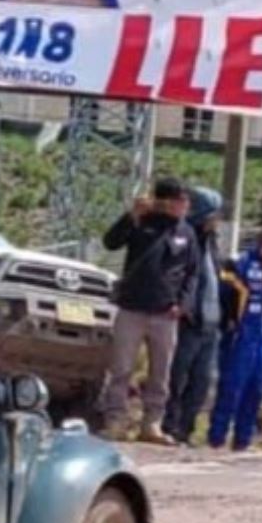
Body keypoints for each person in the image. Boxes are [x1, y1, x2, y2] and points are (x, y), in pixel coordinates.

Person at [100, 177, 200, 443]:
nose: (185, 205)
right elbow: (110, 242)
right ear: (164, 201)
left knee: (160, 373)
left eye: (186, 200)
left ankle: (151, 423)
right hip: (132, 308)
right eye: (180, 200)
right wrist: (131, 216)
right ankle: (116, 420)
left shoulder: (186, 232)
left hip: (166, 313)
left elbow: (192, 273)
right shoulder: (141, 221)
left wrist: (183, 303)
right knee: (121, 368)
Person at [207, 227, 262, 452]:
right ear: (261, 244)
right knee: (232, 387)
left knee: (256, 389)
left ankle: (243, 439)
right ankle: (217, 438)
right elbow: (225, 296)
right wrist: (231, 325)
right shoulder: (240, 264)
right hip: (241, 336)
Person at [162, 187, 225, 446]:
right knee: (177, 377)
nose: (217, 220)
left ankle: (185, 430)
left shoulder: (211, 243)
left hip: (211, 325)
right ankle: (169, 425)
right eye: (213, 214)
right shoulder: (185, 239)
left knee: (202, 381)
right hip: (189, 322)